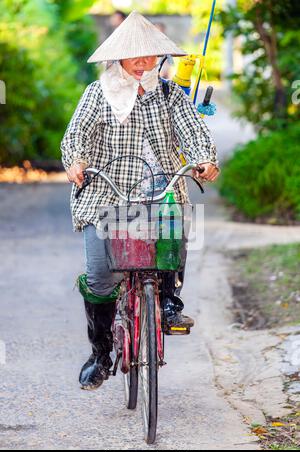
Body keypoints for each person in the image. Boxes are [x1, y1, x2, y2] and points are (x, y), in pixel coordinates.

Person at [61, 11, 219, 391]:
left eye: (150, 56)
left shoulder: (168, 94)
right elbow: (76, 136)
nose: (143, 62)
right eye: (135, 55)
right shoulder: (98, 94)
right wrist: (76, 161)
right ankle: (100, 354)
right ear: (118, 58)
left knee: (174, 227)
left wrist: (203, 159)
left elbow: (193, 130)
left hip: (159, 189)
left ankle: (167, 300)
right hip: (107, 194)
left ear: (158, 58)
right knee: (100, 277)